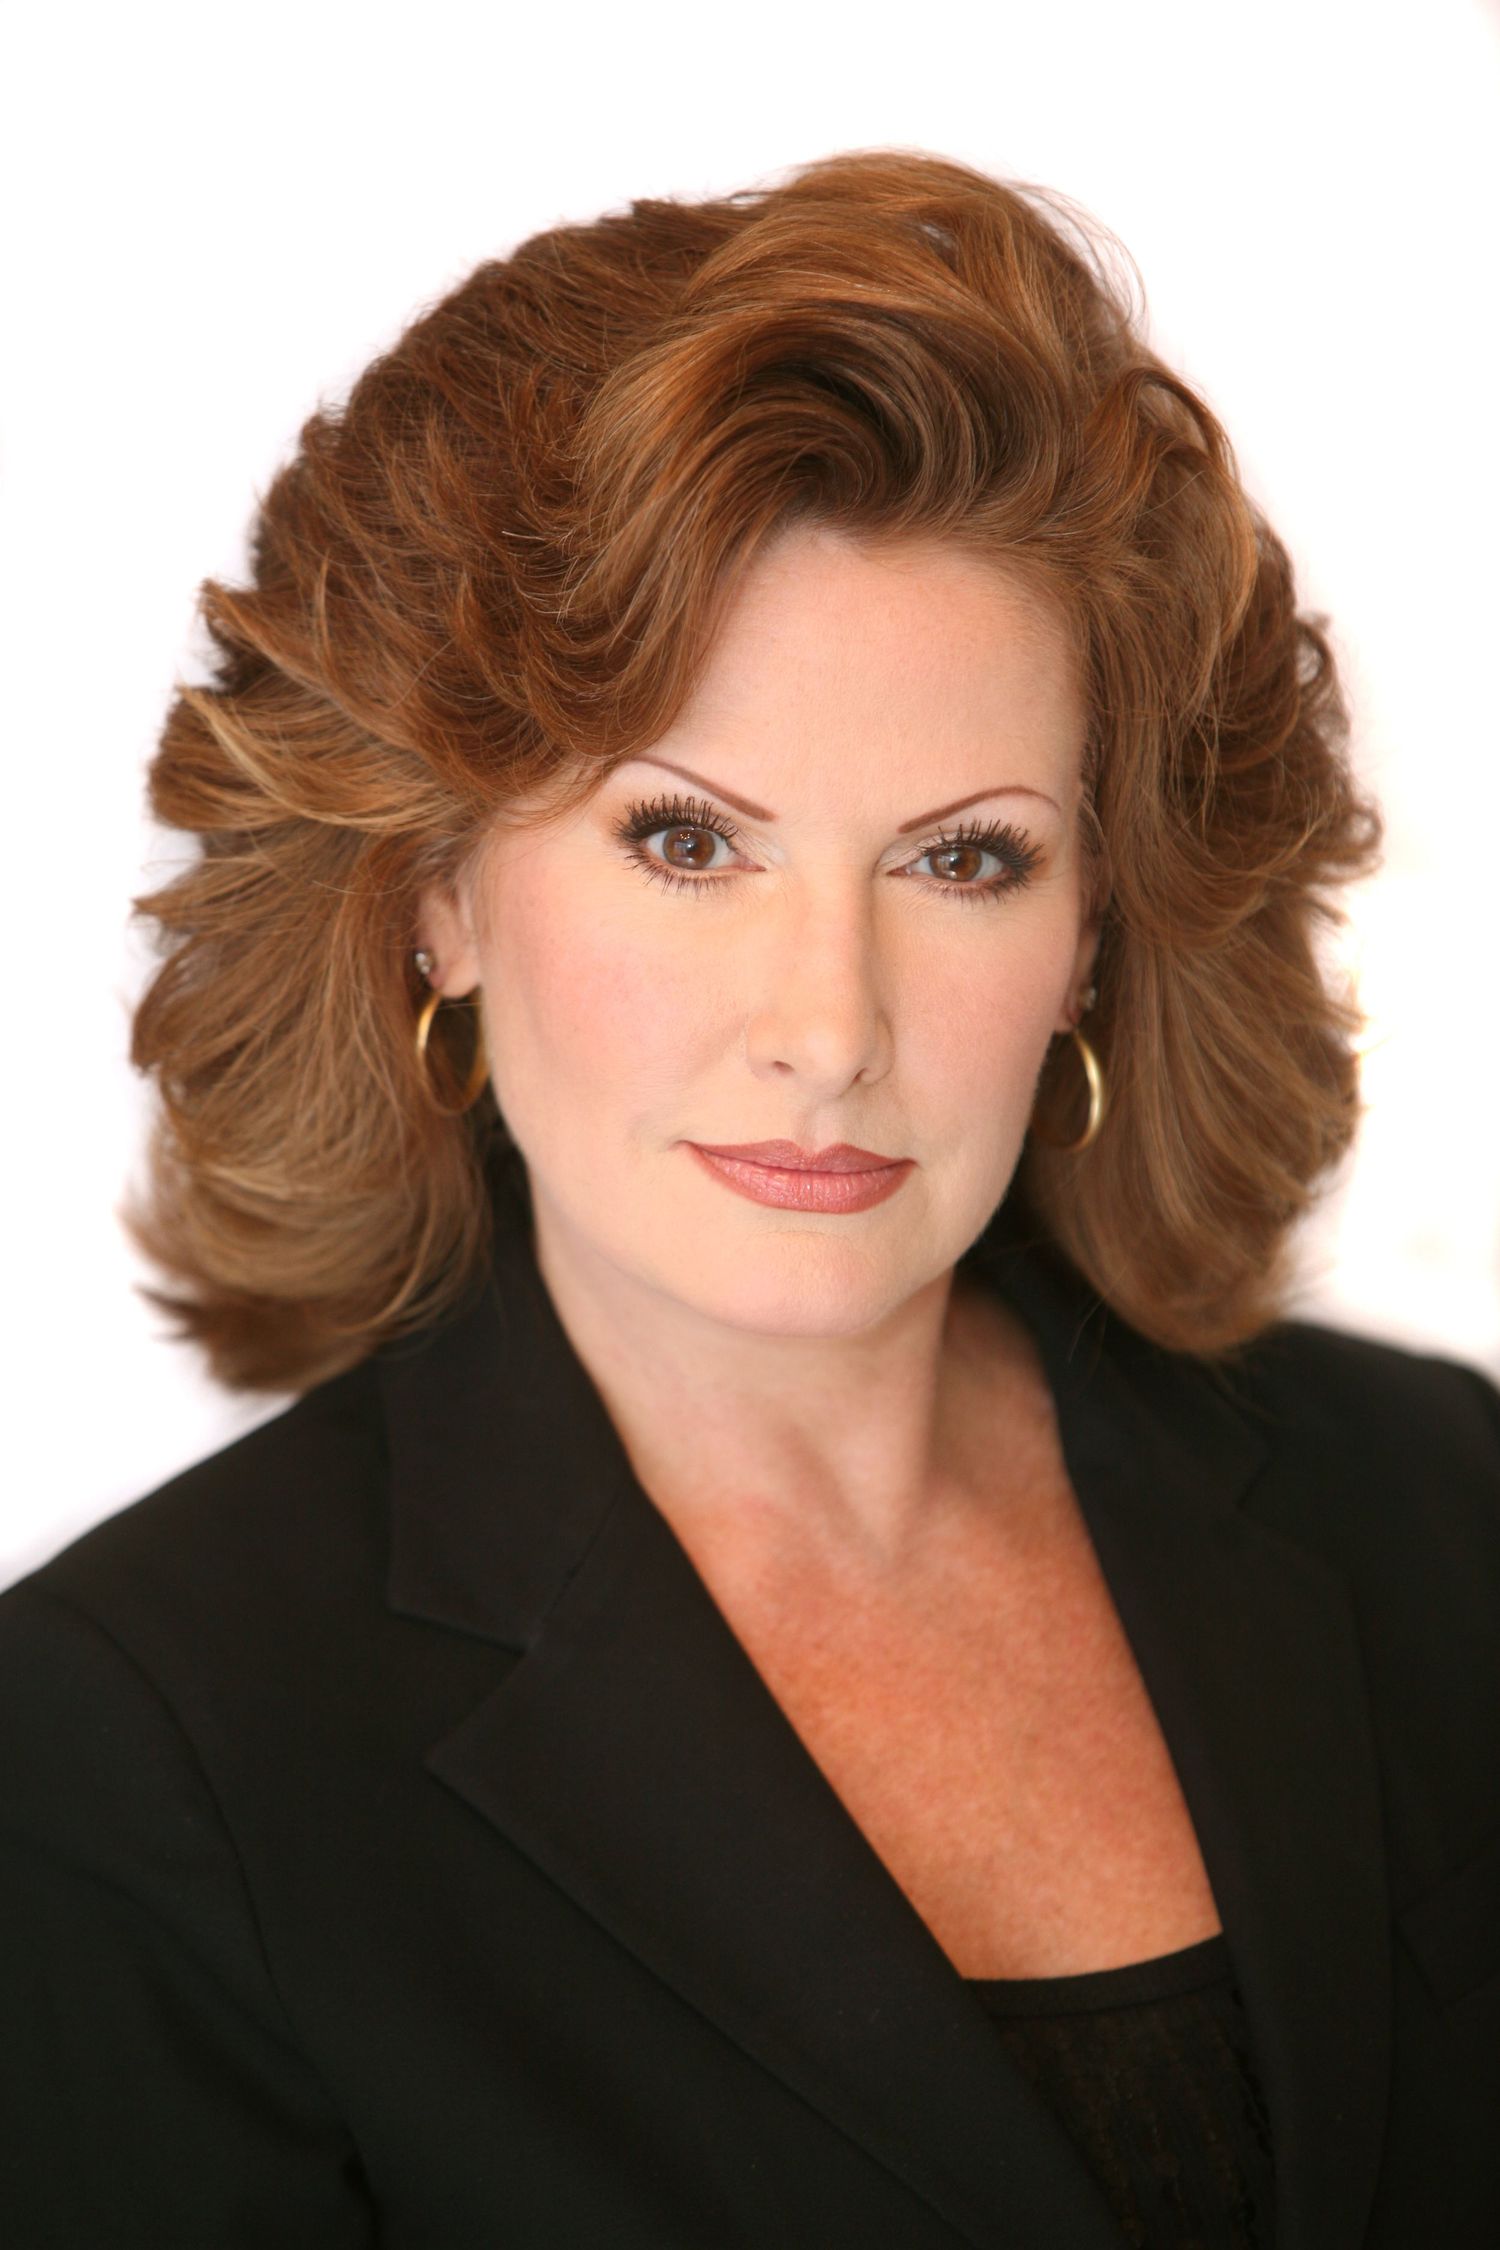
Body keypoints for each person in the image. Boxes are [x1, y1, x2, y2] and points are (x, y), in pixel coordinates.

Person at [1, 148, 1496, 2250]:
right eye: (689, 842)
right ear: (436, 894)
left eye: (963, 857)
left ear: (1093, 933)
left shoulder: (1440, 1509)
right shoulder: (135, 1754)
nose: (830, 1027)